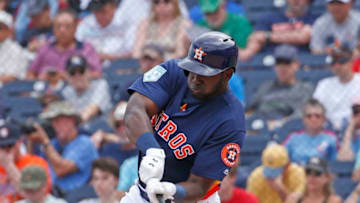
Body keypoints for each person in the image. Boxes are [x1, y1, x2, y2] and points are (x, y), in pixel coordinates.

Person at [121, 31, 245, 203]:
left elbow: (200, 185)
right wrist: (151, 150)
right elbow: (135, 109)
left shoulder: (230, 121)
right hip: (142, 193)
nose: (194, 78)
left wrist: (170, 190)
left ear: (227, 75)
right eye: (192, 68)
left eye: (204, 73)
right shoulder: (174, 71)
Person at [27, 101, 99, 192]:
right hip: (51, 195)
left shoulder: (85, 143)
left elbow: (61, 170)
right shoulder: (53, 143)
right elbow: (33, 169)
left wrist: (45, 141)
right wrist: (30, 140)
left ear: (72, 120)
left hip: (76, 197)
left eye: (58, 121)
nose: (55, 125)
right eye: (52, 121)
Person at [246, 44, 313, 127]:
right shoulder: (266, 86)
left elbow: (300, 115)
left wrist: (278, 124)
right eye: (279, 62)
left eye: (287, 62)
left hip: (285, 130)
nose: (282, 67)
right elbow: (250, 110)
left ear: (296, 65)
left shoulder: (304, 88)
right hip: (258, 127)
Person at [27, 9, 102, 80]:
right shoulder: (45, 48)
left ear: (75, 28)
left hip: (76, 91)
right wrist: (40, 79)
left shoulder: (87, 49)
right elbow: (30, 74)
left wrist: (71, 77)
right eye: (58, 26)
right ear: (53, 28)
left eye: (67, 26)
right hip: (46, 91)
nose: (62, 30)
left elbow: (97, 74)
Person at [239, 0, 317, 61]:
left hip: (299, 61)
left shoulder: (312, 19)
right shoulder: (270, 18)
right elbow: (256, 37)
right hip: (272, 60)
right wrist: (248, 52)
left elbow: (303, 37)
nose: (296, 0)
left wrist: (268, 36)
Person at [0, 121, 52, 202]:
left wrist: (9, 166)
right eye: (2, 146)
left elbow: (38, 194)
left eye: (10, 145)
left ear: (20, 141)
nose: (6, 150)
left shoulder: (34, 163)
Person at [313, 43, 360, 130]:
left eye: (342, 61)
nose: (337, 66)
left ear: (351, 61)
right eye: (333, 62)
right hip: (329, 132)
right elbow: (315, 111)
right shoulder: (323, 85)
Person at [284, 99, 338, 165]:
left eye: (317, 116)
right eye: (309, 116)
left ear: (324, 119)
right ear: (303, 119)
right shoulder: (293, 138)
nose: (313, 119)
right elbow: (281, 158)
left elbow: (335, 167)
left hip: (320, 174)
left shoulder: (331, 139)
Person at [61, 54, 112, 123]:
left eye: (81, 71)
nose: (77, 76)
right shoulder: (66, 92)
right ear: (67, 76)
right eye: (72, 73)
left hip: (100, 127)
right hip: (78, 130)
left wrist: (73, 125)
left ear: (88, 72)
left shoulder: (100, 85)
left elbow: (91, 111)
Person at [0, 10, 31, 84]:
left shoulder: (16, 50)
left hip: (8, 92)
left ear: (9, 30)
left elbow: (12, 77)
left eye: (0, 28)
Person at [337, 97, 360, 161]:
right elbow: (344, 158)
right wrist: (351, 127)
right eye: (356, 111)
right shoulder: (345, 130)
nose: (358, 115)